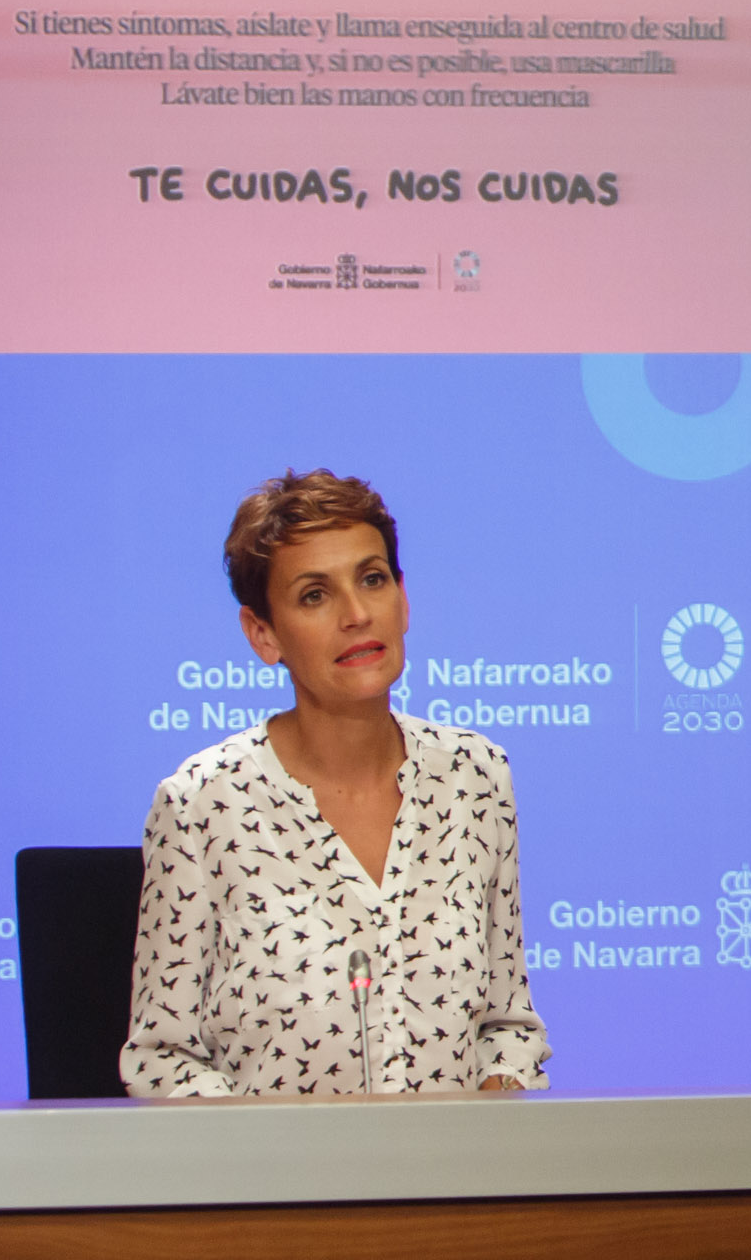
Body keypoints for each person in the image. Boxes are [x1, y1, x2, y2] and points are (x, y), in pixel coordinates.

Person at [122, 470, 552, 1097]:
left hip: (456, 1158)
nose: (356, 615)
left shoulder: (475, 776)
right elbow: (163, 1059)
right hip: (275, 1162)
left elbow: (506, 1024)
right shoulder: (201, 805)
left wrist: (495, 1097)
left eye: (372, 579)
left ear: (403, 600)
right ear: (263, 633)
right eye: (315, 595)